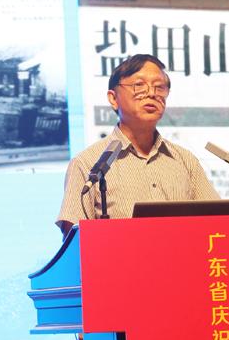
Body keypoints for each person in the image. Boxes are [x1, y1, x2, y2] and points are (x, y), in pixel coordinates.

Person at [56, 54, 219, 237]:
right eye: (139, 85)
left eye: (159, 87)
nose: (152, 94)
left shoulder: (185, 160)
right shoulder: (88, 164)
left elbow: (219, 221)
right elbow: (74, 239)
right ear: (113, 98)